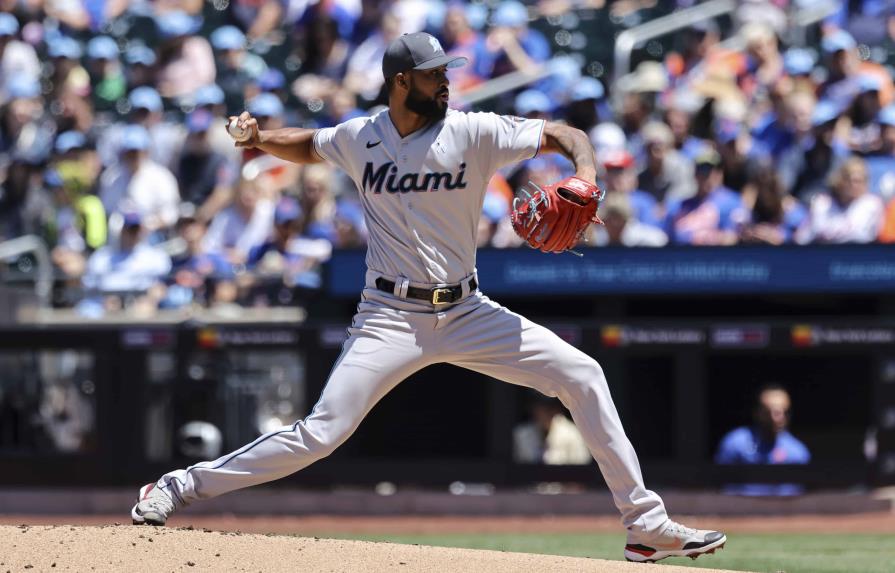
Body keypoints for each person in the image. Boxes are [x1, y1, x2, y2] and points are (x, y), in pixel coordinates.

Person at [131, 31, 726, 564]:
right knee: (321, 433)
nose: (447, 81)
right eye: (435, 73)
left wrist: (588, 174)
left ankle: (645, 525)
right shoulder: (361, 137)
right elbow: (307, 144)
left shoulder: (472, 130)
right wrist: (259, 137)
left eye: (447, 71)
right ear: (400, 82)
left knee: (583, 373)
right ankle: (179, 486)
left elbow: (564, 133)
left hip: (467, 310)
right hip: (389, 315)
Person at [715, 384, 810, 496]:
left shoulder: (798, 452)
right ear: (757, 412)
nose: (777, 418)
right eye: (770, 411)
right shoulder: (735, 443)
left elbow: (798, 495)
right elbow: (718, 486)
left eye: (784, 412)